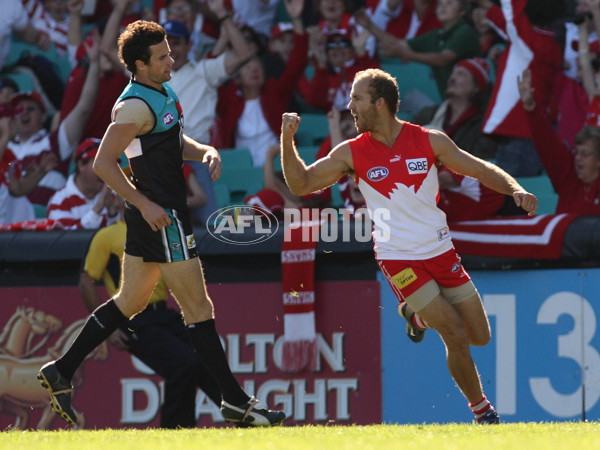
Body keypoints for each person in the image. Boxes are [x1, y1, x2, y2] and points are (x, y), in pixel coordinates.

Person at [37, 20, 286, 428]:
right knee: (198, 307)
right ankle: (236, 401)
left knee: (131, 300)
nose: (172, 59)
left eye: (170, 52)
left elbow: (171, 139)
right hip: (162, 218)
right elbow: (103, 163)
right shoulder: (133, 106)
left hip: (155, 215)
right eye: (163, 56)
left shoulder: (162, 91)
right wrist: (144, 203)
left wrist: (204, 149)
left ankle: (61, 369)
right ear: (140, 64)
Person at [280, 68, 538, 423]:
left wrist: (515, 189)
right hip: (397, 258)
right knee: (454, 332)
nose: (349, 106)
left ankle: (413, 315)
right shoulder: (351, 153)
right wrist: (287, 139)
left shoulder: (430, 140)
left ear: (380, 104)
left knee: (479, 336)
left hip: (441, 252)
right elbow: (301, 184)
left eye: (357, 98)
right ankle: (483, 412)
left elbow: (479, 169)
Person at [78, 195, 223, 428]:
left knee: (204, 360)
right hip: (133, 318)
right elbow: (87, 281)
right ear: (116, 204)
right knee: (184, 364)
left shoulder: (158, 235)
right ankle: (174, 432)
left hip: (162, 313)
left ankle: (241, 416)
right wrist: (109, 328)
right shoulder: (106, 236)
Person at [519, 68, 600, 214]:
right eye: (577, 152)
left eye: (585, 154)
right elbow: (547, 144)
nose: (578, 158)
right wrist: (531, 109)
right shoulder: (567, 176)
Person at [46, 138, 120, 229]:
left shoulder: (114, 195)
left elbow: (122, 236)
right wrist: (98, 208)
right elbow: (67, 240)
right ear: (81, 165)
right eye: (101, 164)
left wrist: (112, 214)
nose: (107, 171)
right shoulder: (59, 200)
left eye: (110, 165)